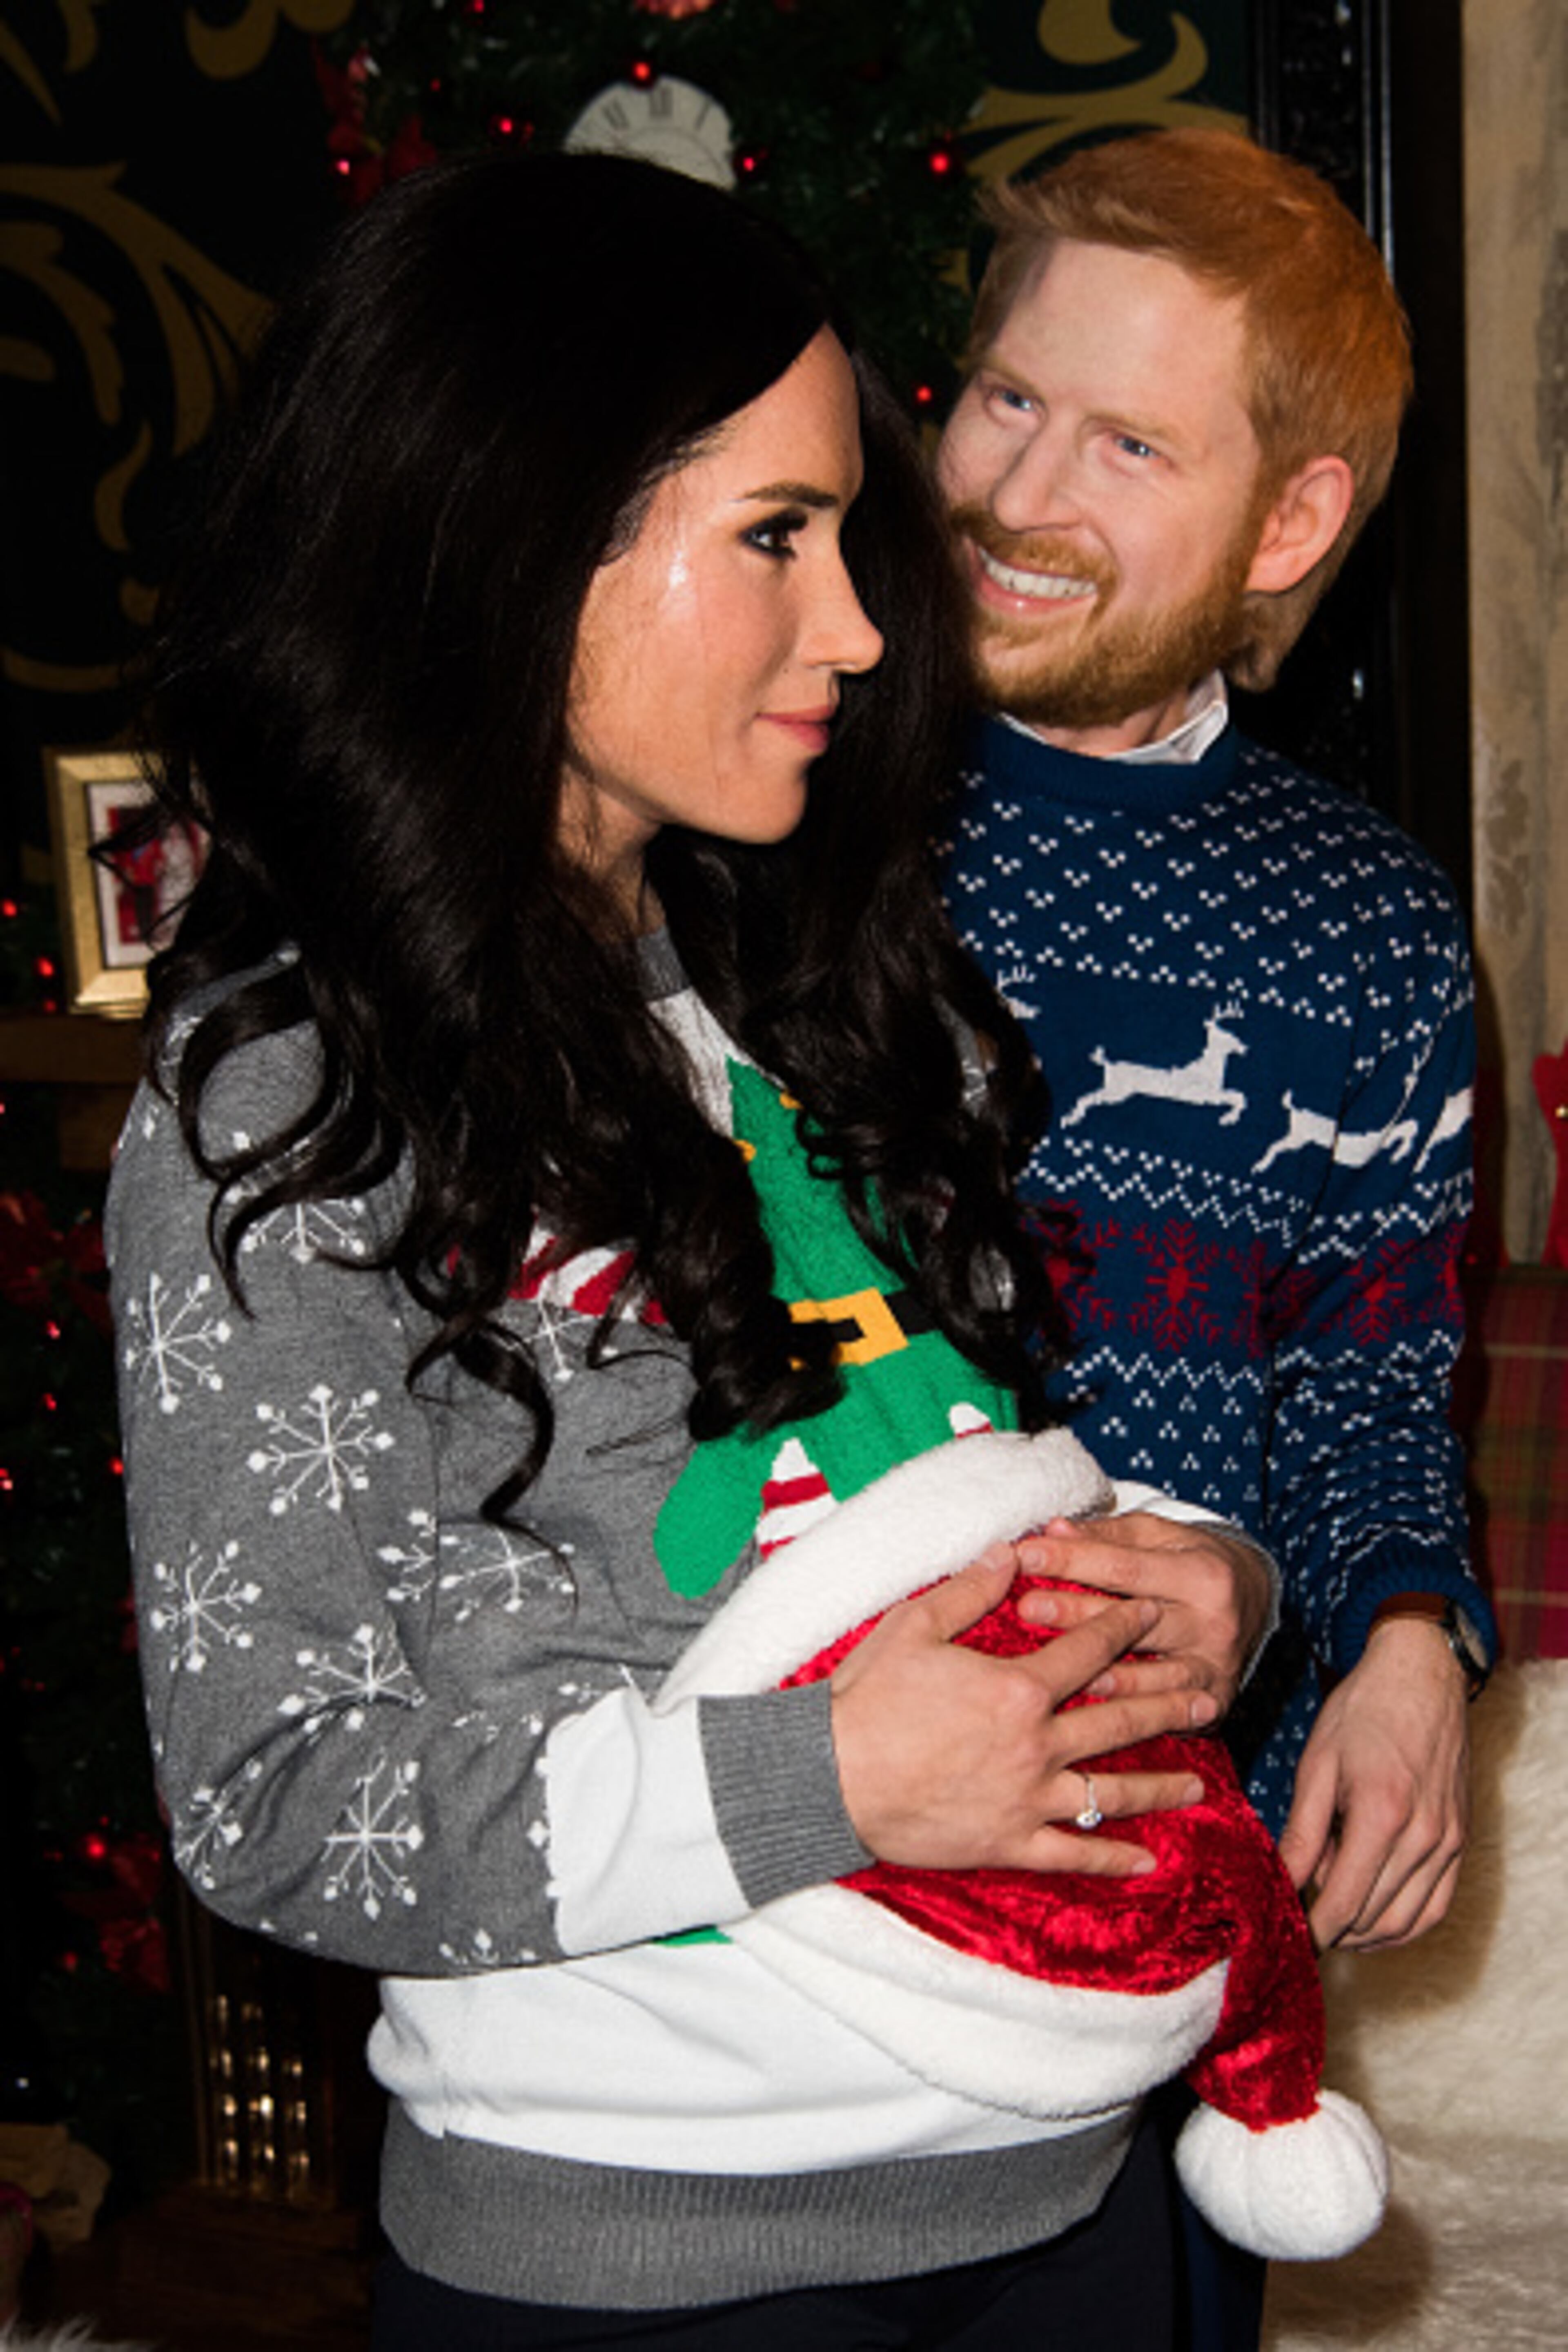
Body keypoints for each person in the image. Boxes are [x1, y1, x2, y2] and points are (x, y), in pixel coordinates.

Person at [105, 150, 1271, 2350]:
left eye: (847, 535)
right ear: (514, 539)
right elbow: (272, 1799)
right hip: (654, 2284)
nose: (854, 625)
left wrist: (1198, 1573)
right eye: (776, 538)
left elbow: (913, 1479)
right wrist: (820, 1787)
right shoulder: (286, 1094)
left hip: (1076, 2210)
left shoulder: (791, 967)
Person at [935, 125, 1499, 2343]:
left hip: (1154, 1959)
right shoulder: (766, 802)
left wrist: (1401, 1642)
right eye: (1003, 397)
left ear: (1290, 523)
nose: (1018, 493)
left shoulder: (1368, 929)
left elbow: (1374, 1364)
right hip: (774, 1910)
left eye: (1131, 442)